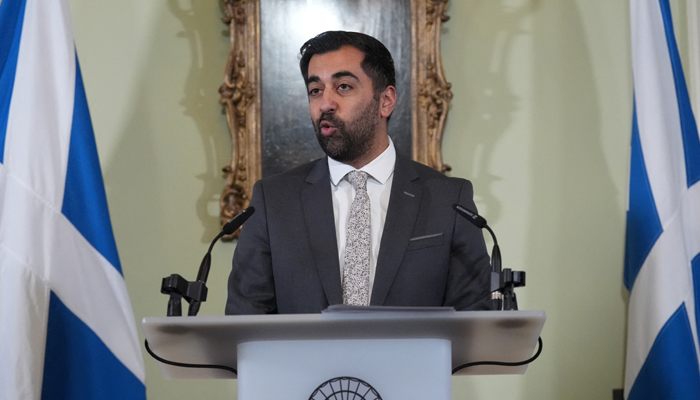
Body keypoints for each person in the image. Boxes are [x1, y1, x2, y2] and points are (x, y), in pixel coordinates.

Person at [225, 31, 492, 314]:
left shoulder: (448, 200)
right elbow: (246, 320)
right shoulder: (274, 201)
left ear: (385, 100)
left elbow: (473, 322)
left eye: (343, 87)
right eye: (315, 90)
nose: (325, 103)